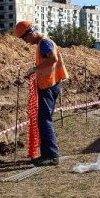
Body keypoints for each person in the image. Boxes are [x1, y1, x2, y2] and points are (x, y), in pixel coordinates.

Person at [14, 20, 68, 165]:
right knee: (44, 119)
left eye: (24, 38)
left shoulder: (44, 43)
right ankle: (47, 154)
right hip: (50, 84)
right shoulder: (42, 43)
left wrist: (34, 70)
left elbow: (53, 58)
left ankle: (51, 156)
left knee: (45, 120)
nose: (25, 42)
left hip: (49, 85)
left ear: (30, 33)